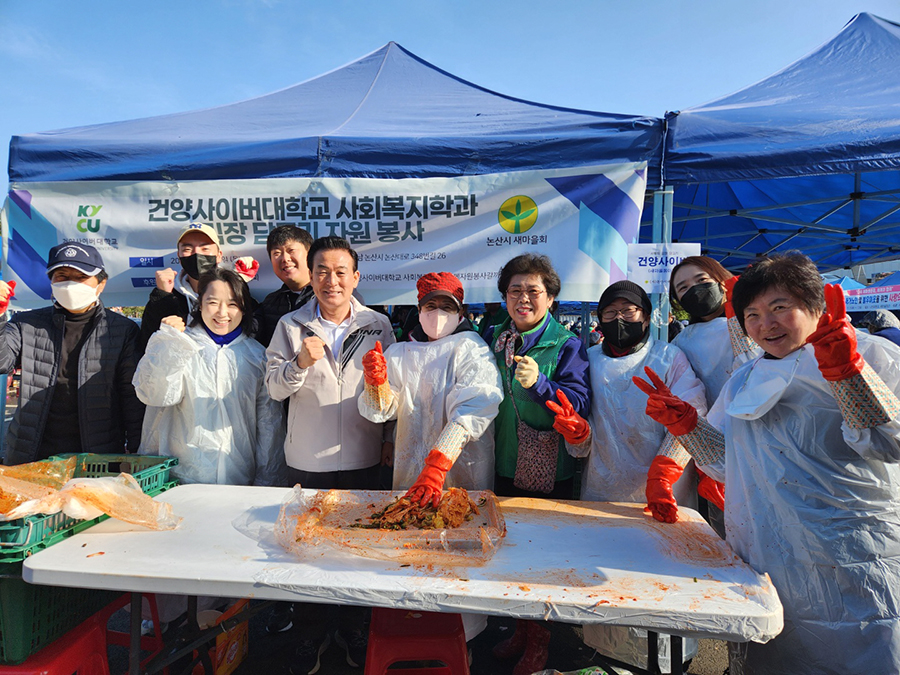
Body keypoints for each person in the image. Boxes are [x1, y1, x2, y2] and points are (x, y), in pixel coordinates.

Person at [635, 251, 900, 674]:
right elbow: (728, 464)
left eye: (780, 307)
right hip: (769, 556)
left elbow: (890, 444)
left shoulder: (872, 353)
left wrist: (850, 376)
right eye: (753, 314)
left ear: (816, 305)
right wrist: (689, 427)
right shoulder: (744, 377)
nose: (766, 324)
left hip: (851, 557)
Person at [546, 280, 706, 673]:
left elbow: (692, 416)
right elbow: (583, 425)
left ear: (646, 316)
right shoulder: (591, 359)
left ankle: (669, 663)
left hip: (665, 493)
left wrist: (665, 472)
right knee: (607, 581)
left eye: (628, 311)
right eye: (610, 313)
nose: (619, 319)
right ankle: (607, 657)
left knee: (662, 581)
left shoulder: (670, 358)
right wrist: (578, 435)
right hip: (604, 487)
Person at [265, 236, 394, 674]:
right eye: (322, 271)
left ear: (355, 277)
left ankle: (355, 626)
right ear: (311, 276)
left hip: (363, 457)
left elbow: (392, 390)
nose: (331, 281)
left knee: (359, 550)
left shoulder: (379, 325)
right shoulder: (290, 325)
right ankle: (310, 633)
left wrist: (390, 437)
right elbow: (273, 387)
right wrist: (298, 363)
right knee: (307, 551)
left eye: (341, 272)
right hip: (308, 458)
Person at [358, 272, 503, 641]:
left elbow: (475, 408)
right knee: (411, 553)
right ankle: (412, 633)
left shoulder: (471, 348)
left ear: (460, 312)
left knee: (461, 555)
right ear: (418, 309)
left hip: (461, 474)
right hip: (409, 476)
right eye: (430, 306)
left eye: (447, 307)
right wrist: (376, 386)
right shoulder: (399, 352)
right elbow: (382, 412)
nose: (438, 314)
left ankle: (463, 639)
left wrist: (439, 464)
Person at [482, 253, 590, 675]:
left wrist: (541, 384)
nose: (523, 298)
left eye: (534, 291)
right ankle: (521, 630)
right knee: (509, 553)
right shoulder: (493, 336)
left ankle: (541, 640)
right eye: (515, 290)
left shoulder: (566, 345)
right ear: (504, 297)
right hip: (502, 461)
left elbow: (579, 403)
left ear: (551, 298)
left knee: (542, 558)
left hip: (547, 468)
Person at [133, 267, 286, 487]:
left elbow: (269, 426)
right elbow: (154, 395)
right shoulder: (180, 345)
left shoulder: (257, 357)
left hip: (239, 479)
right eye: (213, 302)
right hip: (180, 480)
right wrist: (167, 345)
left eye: (232, 304)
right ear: (200, 304)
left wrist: (267, 482)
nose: (222, 313)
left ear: (244, 308)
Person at [0, 243, 144, 464]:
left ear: (101, 284)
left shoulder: (122, 330)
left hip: (97, 459)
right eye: (62, 276)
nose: (70, 284)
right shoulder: (26, 323)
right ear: (51, 281)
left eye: (80, 277)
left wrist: (138, 455)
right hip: (29, 455)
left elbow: (132, 398)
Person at [669, 255, 759, 537]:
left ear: (722, 281)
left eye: (701, 281)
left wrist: (737, 318)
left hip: (758, 434)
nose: (693, 290)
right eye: (682, 288)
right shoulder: (682, 340)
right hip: (707, 442)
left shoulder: (753, 324)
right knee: (724, 535)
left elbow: (757, 370)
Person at [138, 222, 224, 354]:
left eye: (205, 248)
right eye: (187, 249)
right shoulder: (167, 295)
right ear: (178, 256)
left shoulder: (235, 293)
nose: (196, 254)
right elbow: (148, 345)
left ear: (219, 255)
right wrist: (163, 296)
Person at [253, 225, 315, 348]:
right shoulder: (270, 303)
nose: (285, 259)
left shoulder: (330, 295)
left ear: (310, 255)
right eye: (277, 253)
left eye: (291, 251)